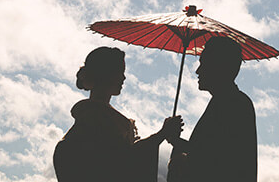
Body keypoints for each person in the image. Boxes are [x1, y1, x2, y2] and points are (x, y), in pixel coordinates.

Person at [54, 46, 183, 182]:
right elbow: (122, 164)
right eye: (119, 72)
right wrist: (161, 135)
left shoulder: (93, 117)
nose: (124, 77)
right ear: (105, 74)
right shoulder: (97, 121)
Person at [168, 37, 256, 182]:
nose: (198, 70)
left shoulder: (234, 105)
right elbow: (206, 153)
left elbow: (214, 161)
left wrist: (177, 146)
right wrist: (176, 141)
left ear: (219, 67)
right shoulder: (228, 102)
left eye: (204, 64)